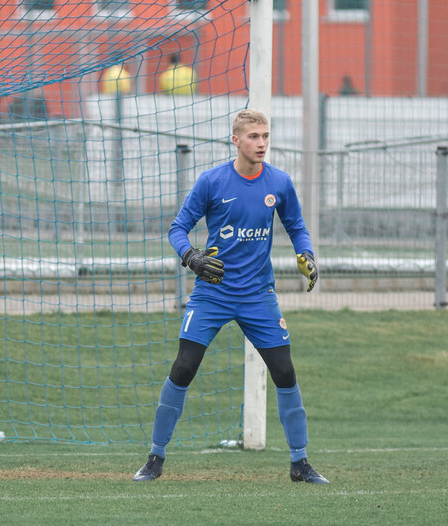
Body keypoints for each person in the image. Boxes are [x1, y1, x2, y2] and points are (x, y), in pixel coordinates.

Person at [133, 109, 327, 484]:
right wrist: (191, 257)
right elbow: (178, 228)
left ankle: (300, 464)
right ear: (235, 140)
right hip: (212, 293)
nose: (262, 144)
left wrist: (307, 255)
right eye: (254, 136)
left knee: (284, 371)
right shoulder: (212, 182)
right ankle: (155, 459)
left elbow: (297, 227)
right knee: (184, 367)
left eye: (266, 136)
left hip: (258, 294)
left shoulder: (280, 183)